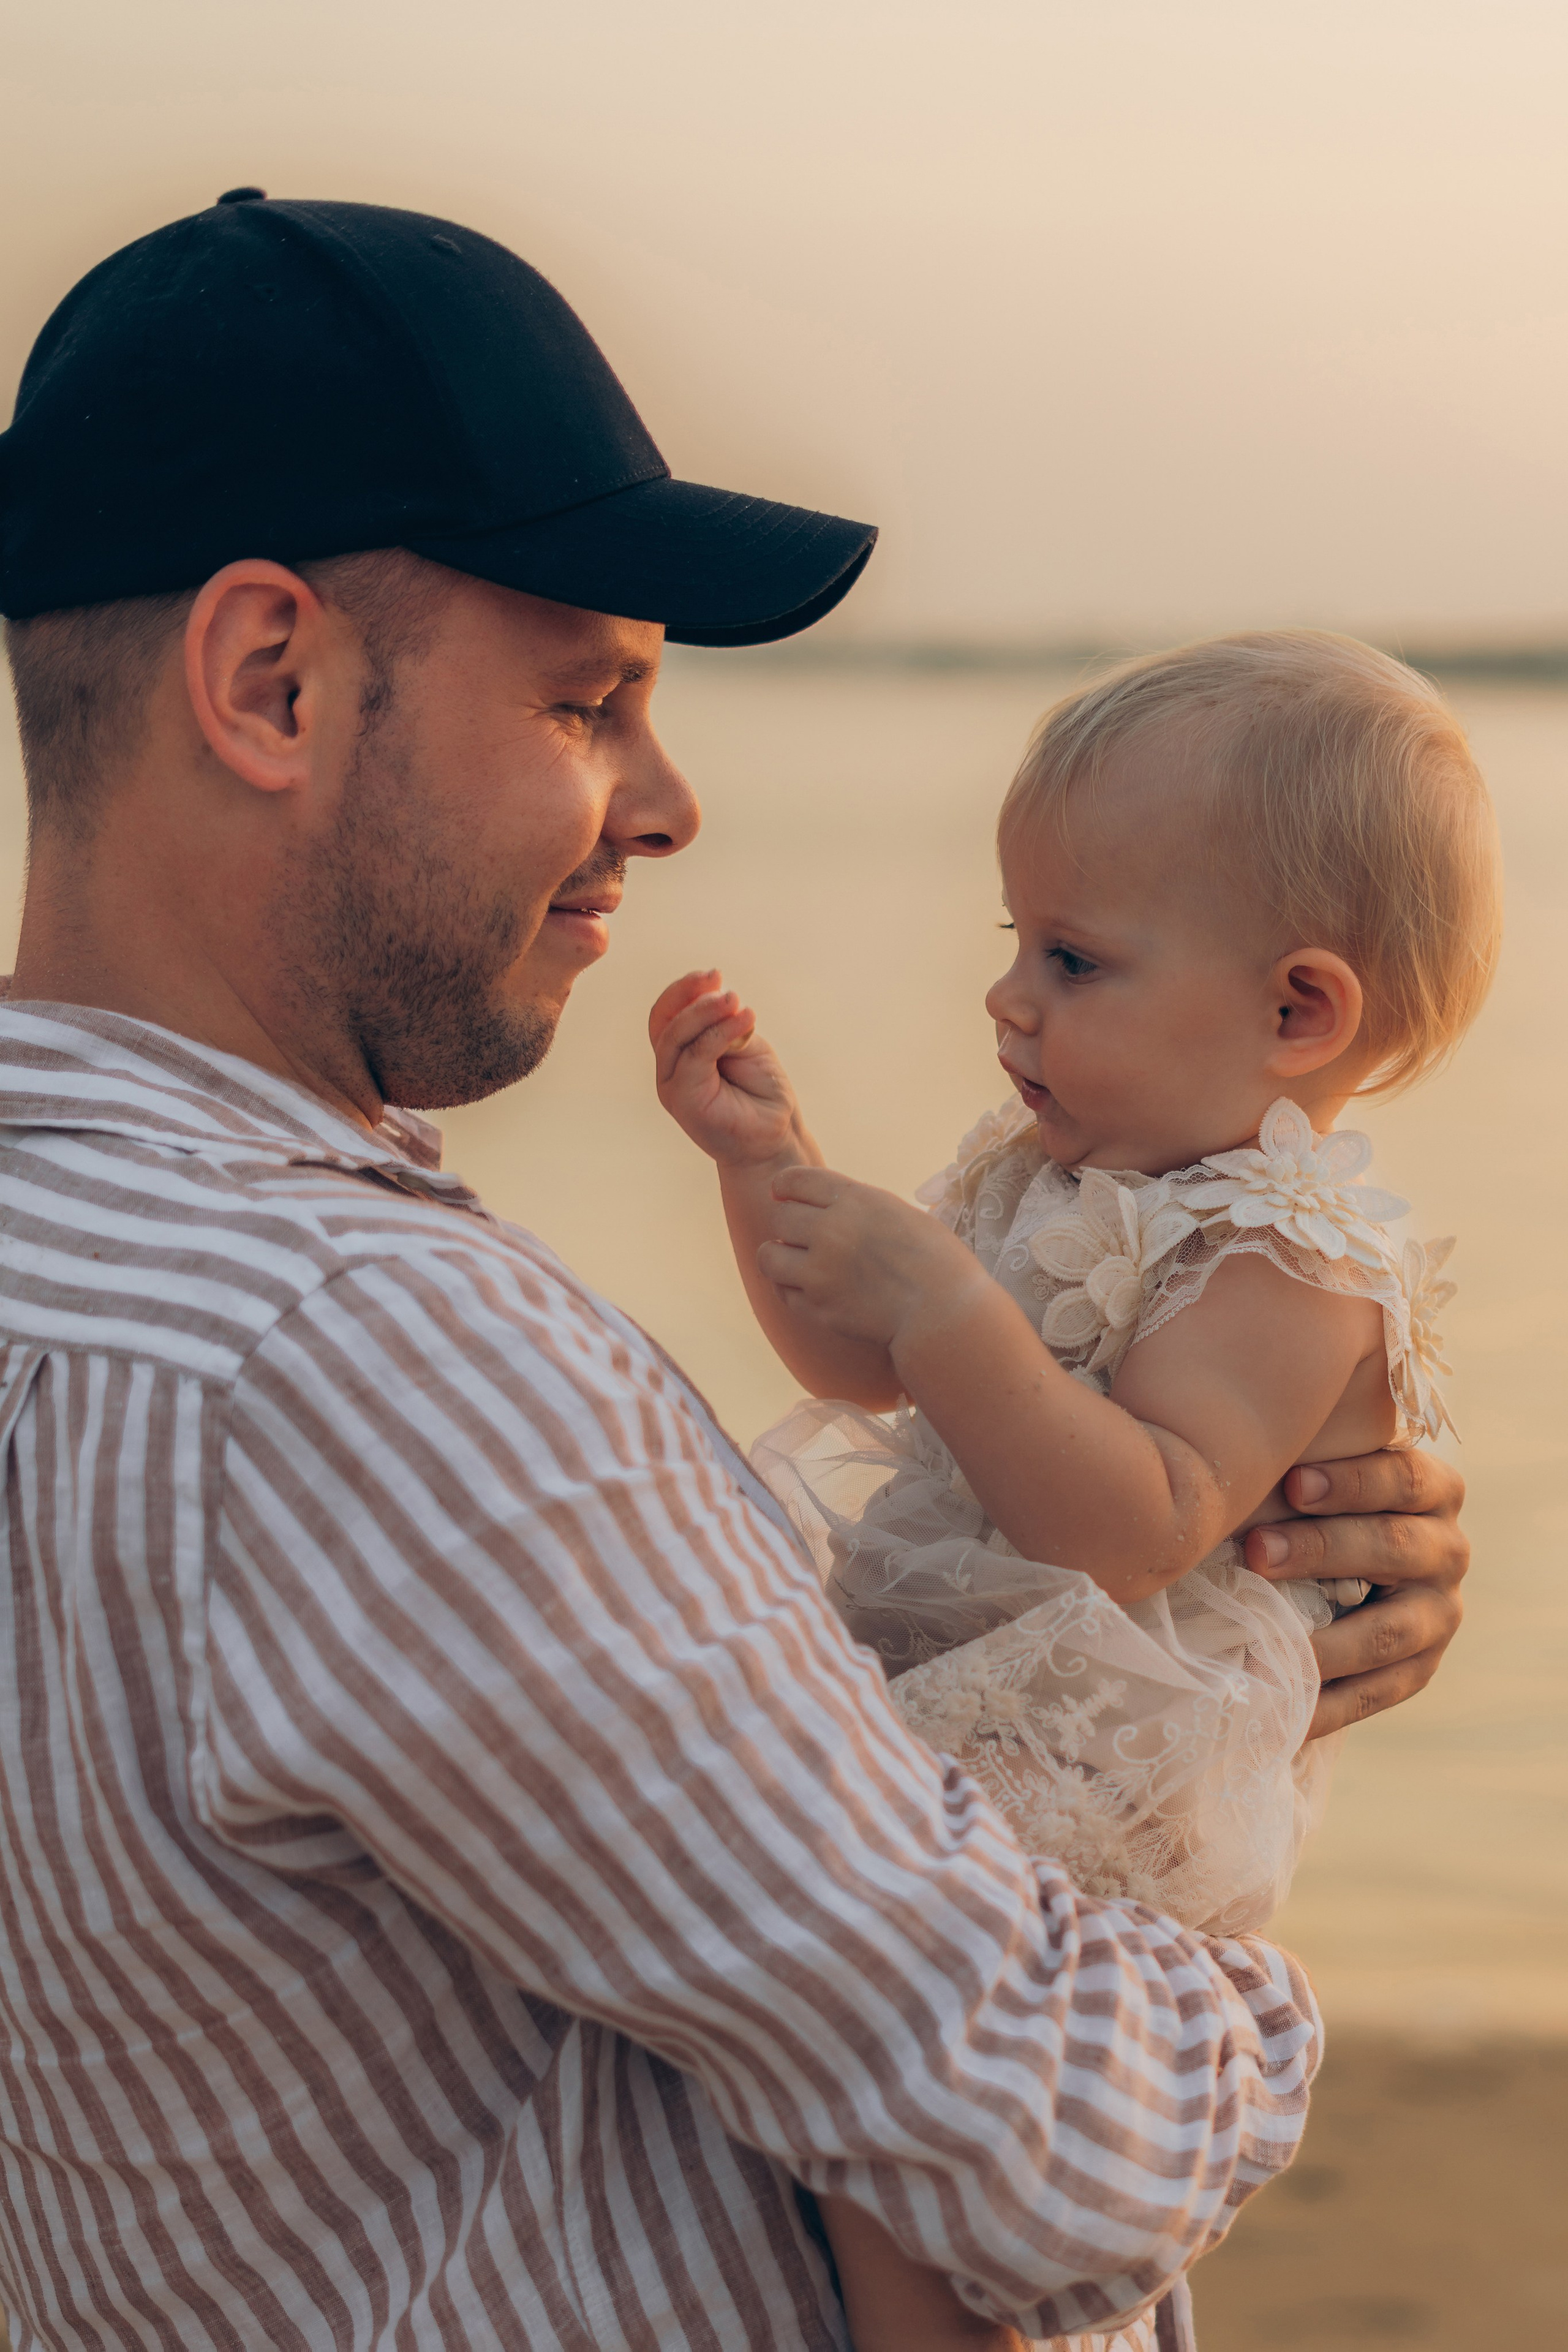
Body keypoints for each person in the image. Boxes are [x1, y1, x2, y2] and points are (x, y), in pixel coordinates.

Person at [0, 194, 1467, 2352]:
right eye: (591, 700)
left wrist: (1246, 1577)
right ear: (270, 680)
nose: (668, 801)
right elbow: (1061, 2149)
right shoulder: (365, 1352)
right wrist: (1243, 1839)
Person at [652, 631, 1498, 2348]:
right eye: (1013, 943)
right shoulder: (1052, 1171)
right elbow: (859, 1368)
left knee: (932, 2144)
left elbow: (1143, 1518)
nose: (1008, 1000)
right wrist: (769, 1168)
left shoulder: (1289, 1257)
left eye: (1075, 957)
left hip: (1099, 1765)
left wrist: (952, 1308)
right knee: (869, 2111)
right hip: (969, 1714)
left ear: (1297, 1010)